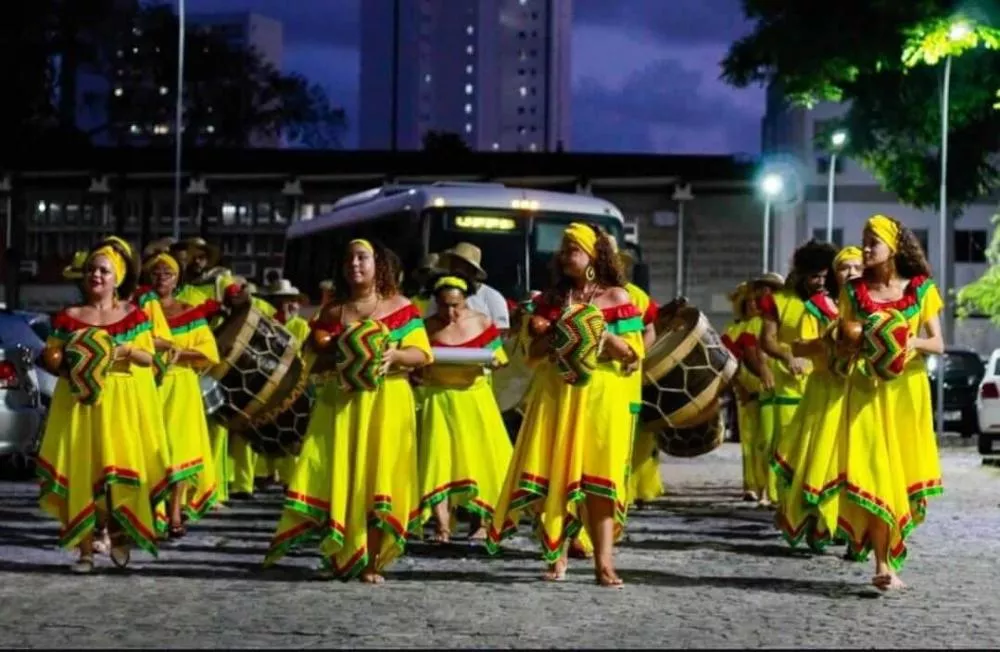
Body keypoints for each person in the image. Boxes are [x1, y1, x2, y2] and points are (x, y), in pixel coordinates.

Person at [264, 238, 433, 583]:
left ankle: (373, 561)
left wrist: (394, 356)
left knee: (378, 474)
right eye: (348, 259)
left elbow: (422, 354)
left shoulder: (402, 307)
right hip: (339, 404)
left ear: (378, 265)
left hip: (387, 404)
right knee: (341, 472)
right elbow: (313, 360)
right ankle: (341, 551)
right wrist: (336, 352)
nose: (354, 264)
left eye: (362, 257)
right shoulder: (333, 312)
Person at [485, 222, 644, 587]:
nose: (566, 253)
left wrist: (597, 333)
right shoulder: (550, 301)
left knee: (598, 481)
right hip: (556, 392)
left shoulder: (617, 298)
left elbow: (633, 355)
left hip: (602, 395)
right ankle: (555, 556)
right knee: (554, 473)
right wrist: (562, 332)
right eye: (564, 248)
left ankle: (604, 564)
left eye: (574, 247)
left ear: (594, 255)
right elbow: (532, 355)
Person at [36, 241, 172, 572]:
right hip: (79, 403)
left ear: (117, 278)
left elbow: (147, 358)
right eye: (92, 270)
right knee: (82, 471)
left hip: (120, 402)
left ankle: (119, 534)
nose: (96, 275)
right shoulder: (69, 317)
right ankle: (84, 550)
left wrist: (120, 351)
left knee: (117, 471)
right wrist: (67, 364)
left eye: (103, 270)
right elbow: (52, 356)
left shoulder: (133, 315)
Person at [835, 216, 943, 591]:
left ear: (893, 247)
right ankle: (882, 564)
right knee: (875, 473)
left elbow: (937, 344)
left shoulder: (921, 290)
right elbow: (842, 342)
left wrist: (902, 341)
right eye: (863, 241)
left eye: (872, 242)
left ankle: (891, 558)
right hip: (866, 391)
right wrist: (849, 344)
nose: (865, 248)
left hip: (907, 393)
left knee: (900, 475)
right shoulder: (852, 292)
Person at [771, 245, 862, 550]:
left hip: (860, 396)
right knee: (819, 460)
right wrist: (831, 343)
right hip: (824, 392)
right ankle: (819, 524)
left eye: (857, 268)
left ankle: (853, 531)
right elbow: (798, 345)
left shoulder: (873, 305)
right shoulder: (817, 307)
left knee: (856, 463)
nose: (850, 274)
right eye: (844, 268)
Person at [416, 273, 512, 542]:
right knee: (438, 460)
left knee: (478, 460)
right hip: (438, 398)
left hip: (474, 397)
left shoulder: (481, 323)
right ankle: (442, 526)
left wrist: (494, 360)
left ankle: (480, 522)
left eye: (456, 305)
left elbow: (500, 357)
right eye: (444, 305)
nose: (450, 312)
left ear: (465, 302)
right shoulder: (425, 327)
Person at [142, 249, 221, 536]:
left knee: (180, 450)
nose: (162, 278)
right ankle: (152, 512)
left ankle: (174, 511)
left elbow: (209, 352)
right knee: (153, 451)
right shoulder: (140, 311)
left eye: (168, 273)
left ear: (177, 279)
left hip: (182, 386)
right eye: (156, 273)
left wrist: (180, 352)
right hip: (148, 386)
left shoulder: (190, 311)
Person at [756, 240, 838, 507]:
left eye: (826, 276)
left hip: (827, 384)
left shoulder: (836, 302)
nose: (820, 282)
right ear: (802, 274)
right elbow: (766, 340)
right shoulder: (777, 302)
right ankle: (787, 503)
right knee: (786, 447)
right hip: (789, 387)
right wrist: (787, 356)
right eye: (815, 276)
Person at [426, 243, 510, 331]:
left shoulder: (493, 297)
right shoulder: (439, 295)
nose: (455, 269)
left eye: (461, 266)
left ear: (473, 270)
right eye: (453, 264)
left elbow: (502, 332)